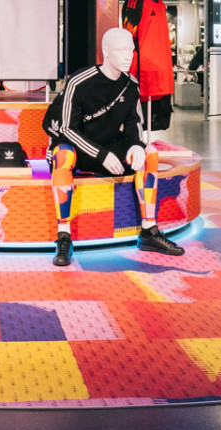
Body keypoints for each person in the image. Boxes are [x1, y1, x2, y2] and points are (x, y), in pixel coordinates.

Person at [45, 27, 185, 266]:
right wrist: (101, 155)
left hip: (107, 146)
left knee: (149, 154)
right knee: (63, 156)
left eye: (131, 50)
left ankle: (149, 231)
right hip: (77, 147)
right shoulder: (79, 81)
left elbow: (134, 123)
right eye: (121, 50)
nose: (128, 56)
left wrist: (137, 145)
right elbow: (67, 129)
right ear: (106, 52)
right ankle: (64, 236)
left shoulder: (131, 84)